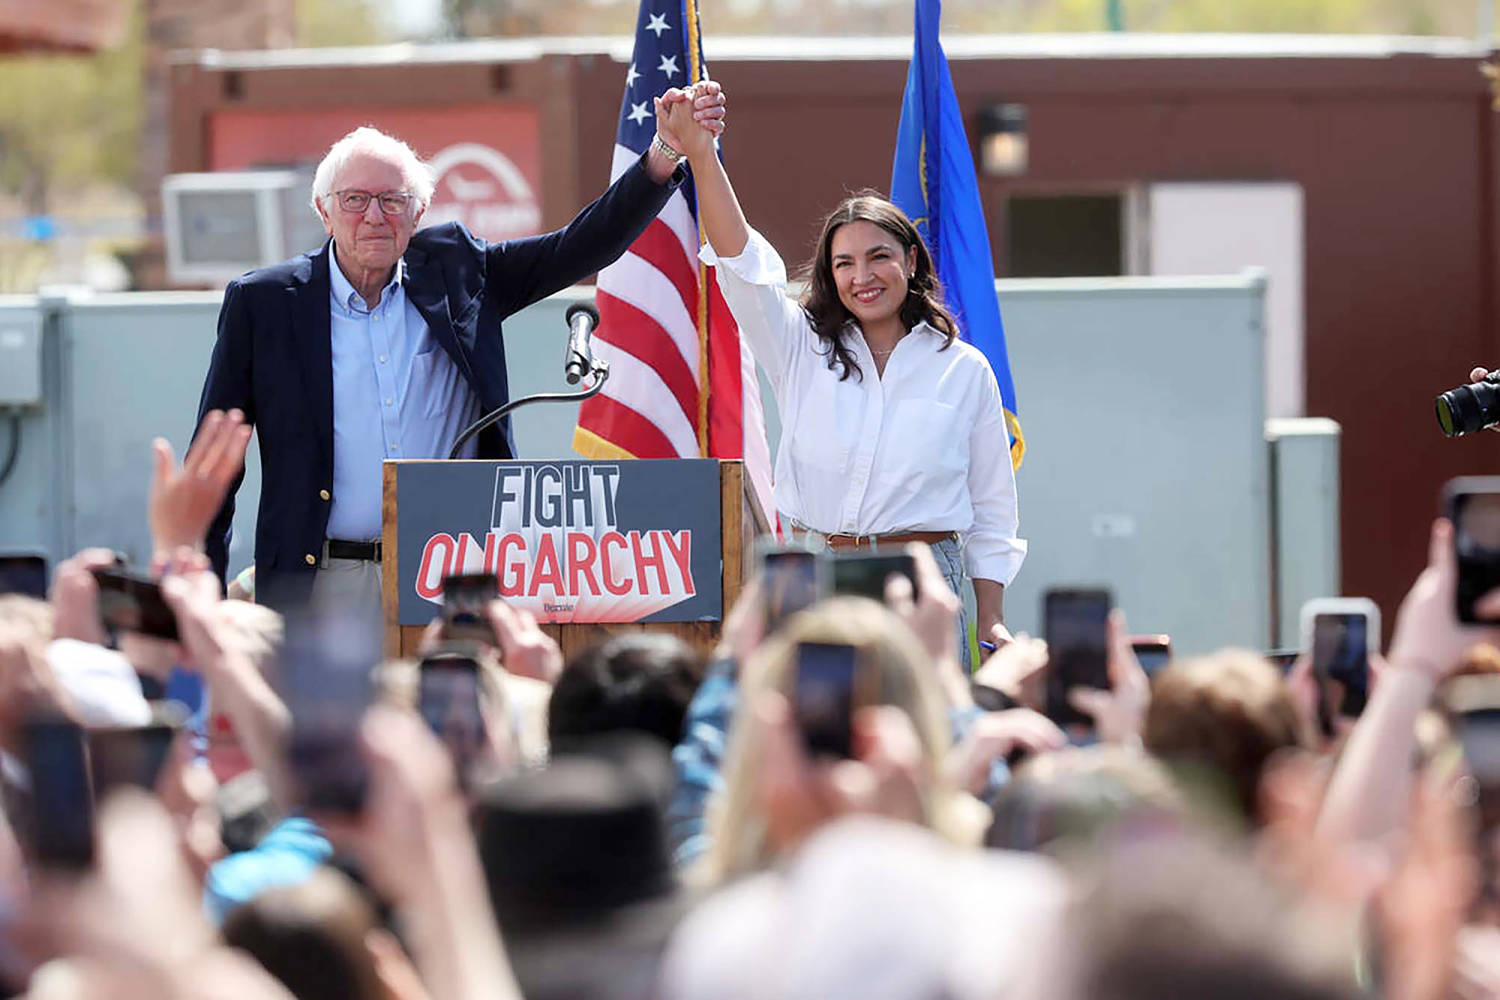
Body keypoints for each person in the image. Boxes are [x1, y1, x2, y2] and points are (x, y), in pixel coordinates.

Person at [195, 87, 728, 611]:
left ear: (420, 209)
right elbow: (214, 465)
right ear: (323, 210)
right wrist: (204, 599)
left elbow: (579, 246)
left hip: (455, 576)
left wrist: (663, 154)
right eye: (355, 200)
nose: (374, 217)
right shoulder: (264, 304)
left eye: (393, 200)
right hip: (321, 582)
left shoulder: (460, 275)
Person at [659, 85, 1024, 666]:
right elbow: (742, 266)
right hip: (814, 578)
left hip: (924, 584)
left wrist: (994, 620)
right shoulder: (799, 345)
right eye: (844, 263)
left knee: (925, 743)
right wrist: (702, 154)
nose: (863, 276)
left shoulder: (964, 369)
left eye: (879, 256)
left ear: (910, 259)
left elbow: (993, 509)